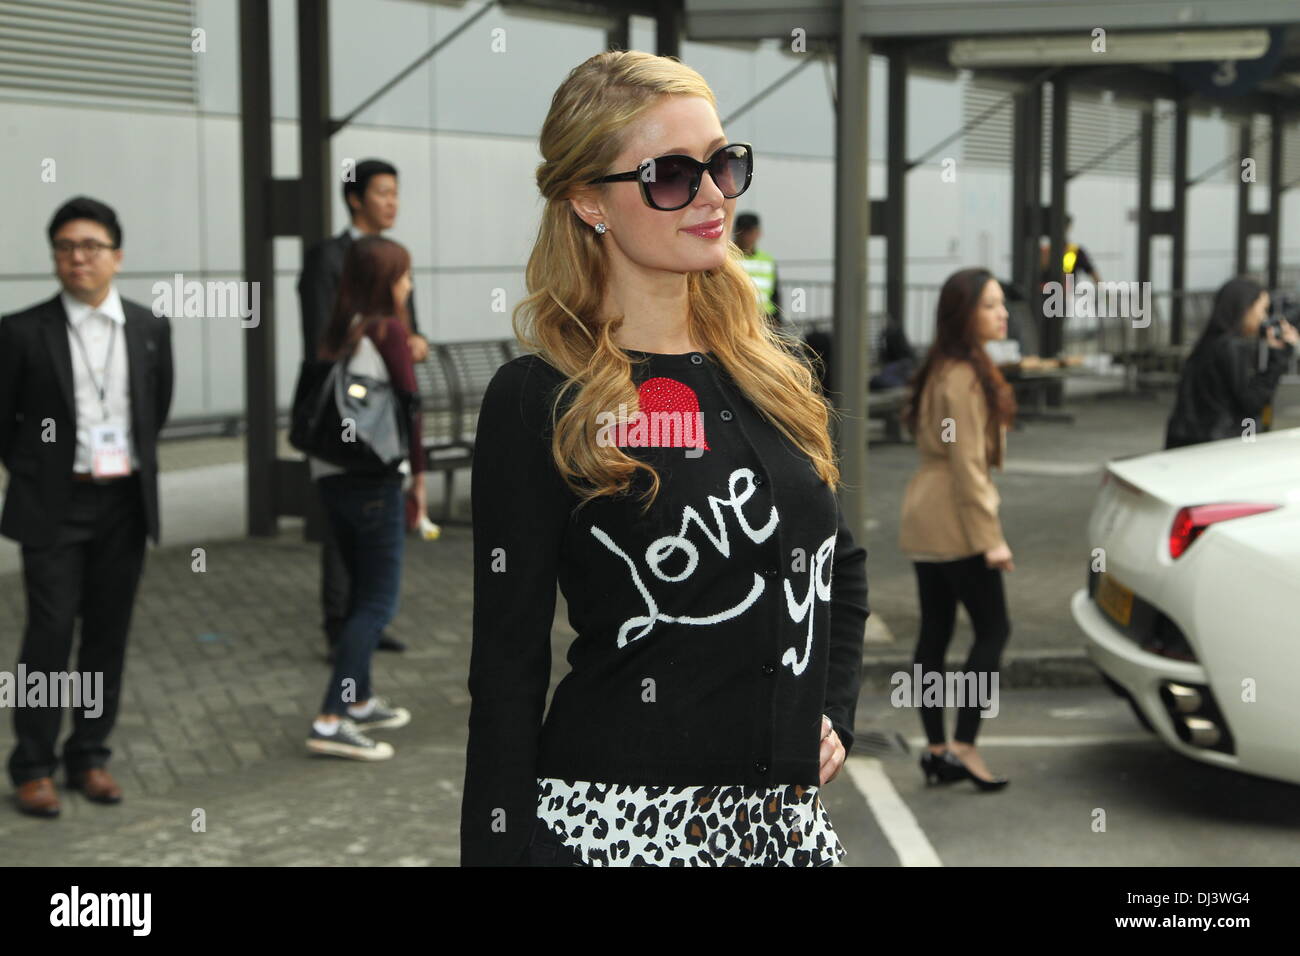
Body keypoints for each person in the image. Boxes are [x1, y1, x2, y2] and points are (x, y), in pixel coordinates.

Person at [460, 51, 870, 867]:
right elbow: (506, 670)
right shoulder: (541, 397)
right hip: (615, 829)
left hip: (784, 833)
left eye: (723, 163)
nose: (714, 194)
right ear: (587, 200)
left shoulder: (766, 371)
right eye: (672, 175)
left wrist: (829, 715)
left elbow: (839, 563)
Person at [0, 197, 174, 816]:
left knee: (107, 635)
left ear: (117, 256)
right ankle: (33, 765)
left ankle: (90, 756)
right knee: (48, 635)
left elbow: (156, 409)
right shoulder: (22, 331)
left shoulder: (149, 328)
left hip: (123, 502)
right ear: (54, 257)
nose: (78, 257)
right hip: (53, 505)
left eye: (91, 246)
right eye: (66, 246)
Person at [298, 158, 428, 660]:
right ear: (355, 199)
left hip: (383, 407)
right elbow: (319, 338)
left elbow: (407, 324)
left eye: (396, 193)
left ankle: (367, 623)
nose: (392, 202)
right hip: (344, 405)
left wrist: (415, 342)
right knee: (343, 522)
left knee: (369, 522)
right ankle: (342, 627)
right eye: (382, 193)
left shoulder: (393, 259)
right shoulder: (326, 257)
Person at [304, 236, 424, 761]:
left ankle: (359, 699)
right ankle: (331, 718)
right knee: (378, 602)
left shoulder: (340, 330)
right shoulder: (388, 331)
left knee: (358, 596)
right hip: (375, 479)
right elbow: (409, 410)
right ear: (386, 282)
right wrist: (417, 480)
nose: (409, 284)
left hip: (331, 475)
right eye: (404, 276)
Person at [898, 268, 1017, 792]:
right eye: (991, 305)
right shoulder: (966, 375)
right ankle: (965, 745)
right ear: (964, 314)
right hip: (957, 516)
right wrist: (990, 537)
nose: (1003, 313)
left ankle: (937, 749)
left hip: (925, 511)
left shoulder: (939, 366)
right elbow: (969, 465)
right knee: (993, 629)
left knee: (936, 633)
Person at [1164, 276, 1298, 449]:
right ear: (1245, 307)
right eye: (1262, 309)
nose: (1263, 318)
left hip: (1186, 441)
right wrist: (1278, 357)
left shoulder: (1207, 344)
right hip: (1216, 447)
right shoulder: (1231, 347)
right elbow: (1251, 402)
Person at [734, 211, 782, 327]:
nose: (746, 236)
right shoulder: (726, 258)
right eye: (743, 231)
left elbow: (775, 294)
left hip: (765, 319)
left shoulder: (767, 260)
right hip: (736, 320)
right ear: (736, 232)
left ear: (758, 233)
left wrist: (777, 319)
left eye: (750, 231)